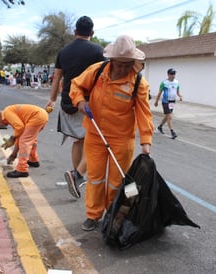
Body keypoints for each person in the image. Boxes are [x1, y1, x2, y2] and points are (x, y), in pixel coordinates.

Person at [69, 34, 154, 231]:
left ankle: (112, 214)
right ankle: (93, 215)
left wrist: (146, 143)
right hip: (96, 134)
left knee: (117, 182)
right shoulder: (97, 71)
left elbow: (144, 113)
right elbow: (76, 85)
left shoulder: (139, 83)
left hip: (122, 139)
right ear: (112, 60)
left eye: (128, 64)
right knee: (96, 178)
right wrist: (80, 101)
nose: (124, 68)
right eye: (120, 64)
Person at [45, 15, 105, 199]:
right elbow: (104, 79)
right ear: (92, 33)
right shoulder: (98, 51)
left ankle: (77, 176)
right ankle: (77, 175)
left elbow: (57, 77)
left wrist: (52, 99)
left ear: (75, 31)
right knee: (97, 142)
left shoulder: (63, 51)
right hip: (90, 104)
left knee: (77, 141)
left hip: (68, 102)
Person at [0, 104, 49, 178]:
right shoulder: (9, 112)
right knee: (30, 139)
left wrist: (12, 138)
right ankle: (33, 160)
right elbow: (20, 133)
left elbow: (20, 127)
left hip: (37, 116)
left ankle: (22, 169)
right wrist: (14, 154)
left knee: (25, 142)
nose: (0, 125)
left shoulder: (6, 113)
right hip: (41, 115)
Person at [154, 68, 183, 139]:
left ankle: (160, 127)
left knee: (167, 116)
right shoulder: (164, 83)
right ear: (168, 74)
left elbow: (178, 92)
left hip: (172, 102)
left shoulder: (176, 82)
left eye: (174, 74)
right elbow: (159, 93)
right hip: (165, 101)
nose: (173, 75)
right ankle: (172, 132)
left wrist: (180, 96)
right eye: (171, 74)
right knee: (169, 116)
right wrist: (156, 101)